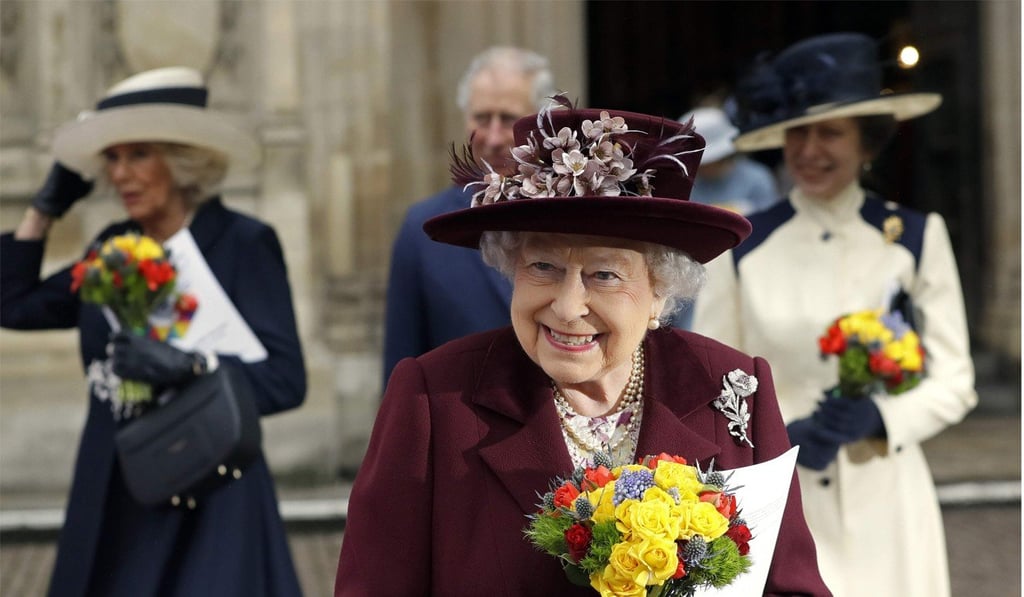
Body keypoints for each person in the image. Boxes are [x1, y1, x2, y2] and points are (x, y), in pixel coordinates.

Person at [335, 99, 831, 595]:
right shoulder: (434, 399)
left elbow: (791, 586)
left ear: (660, 290)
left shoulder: (734, 389)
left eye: (604, 274)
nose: (568, 306)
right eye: (543, 267)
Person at [1, 67, 306, 596]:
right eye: (112, 158)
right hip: (116, 490)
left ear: (184, 160)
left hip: (212, 491)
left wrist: (195, 369)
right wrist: (43, 210)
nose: (120, 175)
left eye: (139, 154)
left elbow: (285, 381)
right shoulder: (110, 248)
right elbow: (13, 303)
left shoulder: (243, 243)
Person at [692, 33, 977, 597]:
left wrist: (882, 419)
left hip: (886, 500)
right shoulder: (746, 244)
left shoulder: (915, 237)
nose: (809, 150)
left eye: (829, 133)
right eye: (798, 133)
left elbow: (956, 380)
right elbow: (708, 380)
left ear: (867, 142)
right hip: (782, 497)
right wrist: (769, 440)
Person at [381, 46, 557, 388]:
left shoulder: (580, 219)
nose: (492, 137)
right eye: (481, 119)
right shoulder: (423, 228)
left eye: (508, 119)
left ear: (542, 123)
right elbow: (400, 370)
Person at [680, 106, 779, 216]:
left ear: (720, 157)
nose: (699, 166)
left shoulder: (757, 178)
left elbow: (769, 220)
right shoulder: (686, 186)